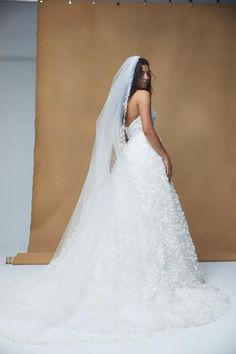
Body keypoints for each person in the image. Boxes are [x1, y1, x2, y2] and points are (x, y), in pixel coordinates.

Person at [0, 55, 230, 345]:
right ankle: (152, 278)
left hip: (131, 159)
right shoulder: (143, 96)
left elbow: (123, 134)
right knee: (148, 214)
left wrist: (133, 155)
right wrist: (165, 155)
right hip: (144, 157)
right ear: (133, 77)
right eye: (141, 73)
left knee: (131, 216)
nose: (146, 77)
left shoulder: (125, 102)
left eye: (148, 73)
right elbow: (147, 130)